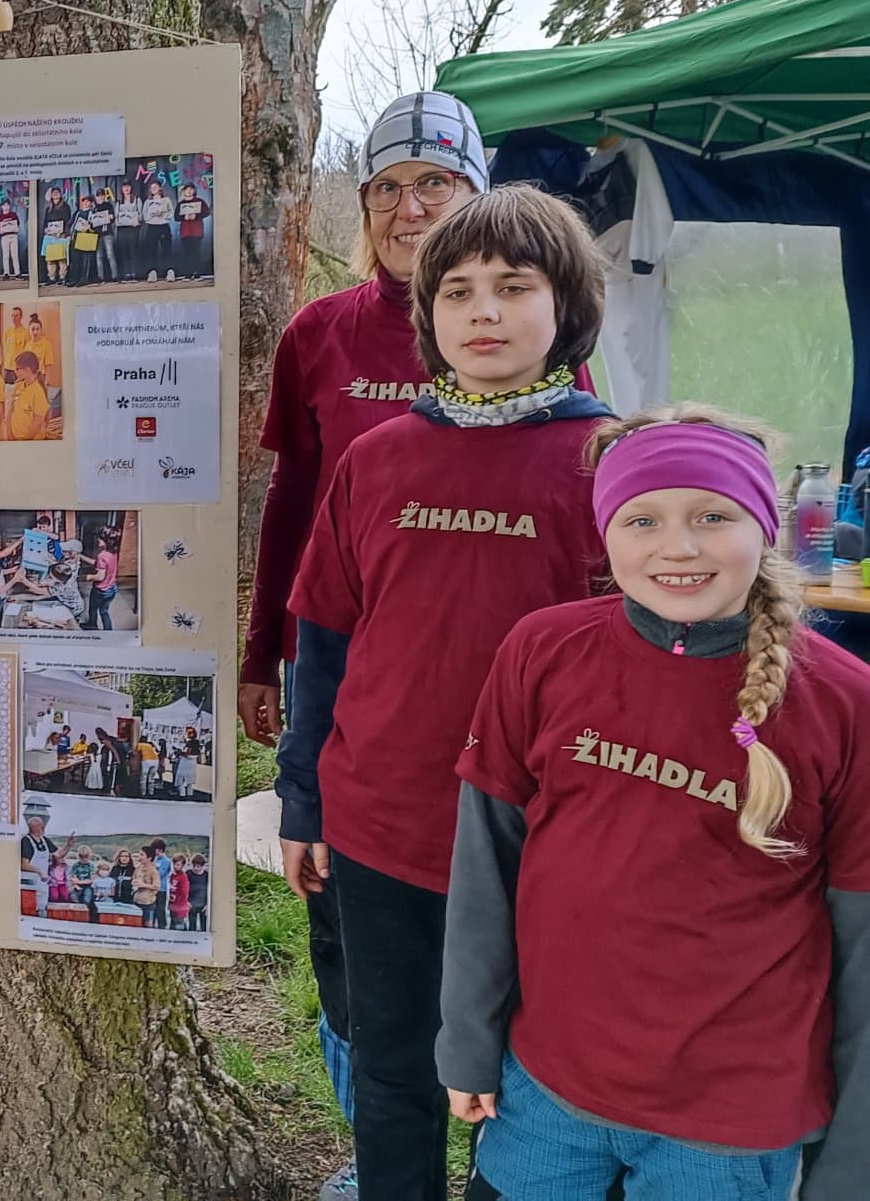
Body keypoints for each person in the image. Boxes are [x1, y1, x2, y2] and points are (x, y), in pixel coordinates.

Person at [438, 407, 870, 1201]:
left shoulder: (845, 703)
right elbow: (486, 865)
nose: (679, 546)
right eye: (643, 518)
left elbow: (863, 946)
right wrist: (467, 1040)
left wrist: (850, 1165)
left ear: (763, 524)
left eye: (713, 515)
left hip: (729, 1123)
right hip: (548, 1087)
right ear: (605, 532)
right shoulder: (542, 650)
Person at [280, 186, 611, 1201]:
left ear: (567, 309)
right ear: (428, 316)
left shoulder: (609, 465)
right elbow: (325, 639)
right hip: (383, 826)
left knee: (545, 1080)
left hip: (550, 840)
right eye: (459, 290)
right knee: (394, 1069)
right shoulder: (378, 461)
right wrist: (304, 800)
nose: (485, 311)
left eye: (515, 287)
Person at [238, 92, 488, 1199]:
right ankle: (374, 1135)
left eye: (435, 181)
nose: (408, 205)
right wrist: (261, 655)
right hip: (338, 672)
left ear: (477, 193)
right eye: (388, 186)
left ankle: (501, 1143)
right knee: (340, 908)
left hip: (483, 687)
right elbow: (292, 501)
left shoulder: (515, 323)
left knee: (489, 919)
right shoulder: (321, 334)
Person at [8, 352, 52, 442]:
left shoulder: (38, 392)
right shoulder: (18, 386)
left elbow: (37, 423)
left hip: (30, 440)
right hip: (14, 438)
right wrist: (9, 432)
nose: (14, 371)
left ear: (27, 370)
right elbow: (11, 410)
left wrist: (26, 440)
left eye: (17, 368)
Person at [175, 181, 211, 280]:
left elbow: (207, 212)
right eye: (187, 189)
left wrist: (196, 216)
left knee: (196, 252)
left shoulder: (199, 201)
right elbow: (176, 217)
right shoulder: (181, 203)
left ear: (194, 190)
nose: (189, 191)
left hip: (197, 231)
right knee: (187, 253)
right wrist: (184, 217)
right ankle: (187, 273)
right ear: (184, 191)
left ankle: (197, 273)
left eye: (191, 189)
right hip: (185, 232)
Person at [141, 179, 175, 281]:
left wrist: (163, 215)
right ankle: (152, 272)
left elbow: (171, 213)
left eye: (155, 187)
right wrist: (151, 216)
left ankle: (169, 272)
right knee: (152, 251)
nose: (153, 189)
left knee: (166, 250)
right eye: (151, 188)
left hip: (164, 226)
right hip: (152, 226)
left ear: (160, 188)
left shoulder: (166, 200)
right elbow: (144, 216)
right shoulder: (148, 201)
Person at [40, 185, 72, 284]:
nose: (55, 194)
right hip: (50, 236)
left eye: (57, 193)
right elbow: (45, 222)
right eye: (53, 193)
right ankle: (52, 277)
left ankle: (62, 277)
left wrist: (64, 233)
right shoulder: (48, 208)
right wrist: (45, 230)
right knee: (50, 258)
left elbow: (68, 221)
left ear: (60, 194)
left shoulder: (65, 206)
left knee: (61, 257)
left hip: (61, 235)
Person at [114, 181, 143, 280]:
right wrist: (117, 221)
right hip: (122, 229)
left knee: (133, 250)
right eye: (124, 187)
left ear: (131, 188)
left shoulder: (137, 200)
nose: (126, 189)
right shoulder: (118, 201)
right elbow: (116, 216)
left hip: (133, 229)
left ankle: (134, 272)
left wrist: (137, 220)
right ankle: (126, 273)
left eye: (128, 186)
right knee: (124, 251)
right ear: (121, 189)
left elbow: (141, 214)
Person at [91, 186, 119, 284]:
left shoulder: (109, 205)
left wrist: (104, 218)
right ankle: (100, 277)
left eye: (102, 195)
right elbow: (92, 221)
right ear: (96, 197)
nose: (100, 197)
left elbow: (112, 217)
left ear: (104, 196)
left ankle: (115, 276)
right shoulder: (94, 208)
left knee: (110, 254)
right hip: (97, 234)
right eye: (98, 196)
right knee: (99, 256)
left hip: (107, 233)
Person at [70, 847, 98, 924]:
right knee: (73, 897)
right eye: (81, 856)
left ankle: (87, 916)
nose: (84, 859)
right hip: (77, 885)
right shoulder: (76, 865)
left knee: (87, 899)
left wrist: (80, 882)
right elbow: (73, 877)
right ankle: (76, 915)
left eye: (86, 856)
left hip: (88, 886)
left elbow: (91, 879)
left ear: (89, 856)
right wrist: (75, 884)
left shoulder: (91, 865)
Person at [0, 200, 23, 278]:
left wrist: (14, 228)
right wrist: (0, 230)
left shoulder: (14, 215)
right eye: (4, 205)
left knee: (15, 255)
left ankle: (17, 273)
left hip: (13, 236)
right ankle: (6, 273)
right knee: (5, 255)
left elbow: (17, 225)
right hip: (4, 237)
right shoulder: (0, 217)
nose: (6, 207)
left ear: (9, 206)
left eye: (7, 205)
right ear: (2, 207)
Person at [187, 855, 210, 933]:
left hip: (203, 906)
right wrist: (186, 902)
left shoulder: (207, 875)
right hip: (191, 905)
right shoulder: (188, 874)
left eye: (198, 866)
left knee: (204, 927)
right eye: (194, 866)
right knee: (191, 927)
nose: (196, 868)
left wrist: (208, 905)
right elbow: (183, 889)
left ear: (203, 866)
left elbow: (210, 891)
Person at [169, 854, 192, 930]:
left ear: (182, 866)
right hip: (172, 905)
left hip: (180, 908)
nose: (175, 866)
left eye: (178, 865)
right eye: (174, 864)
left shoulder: (183, 877)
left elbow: (184, 893)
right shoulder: (172, 875)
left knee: (179, 928)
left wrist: (180, 906)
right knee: (172, 926)